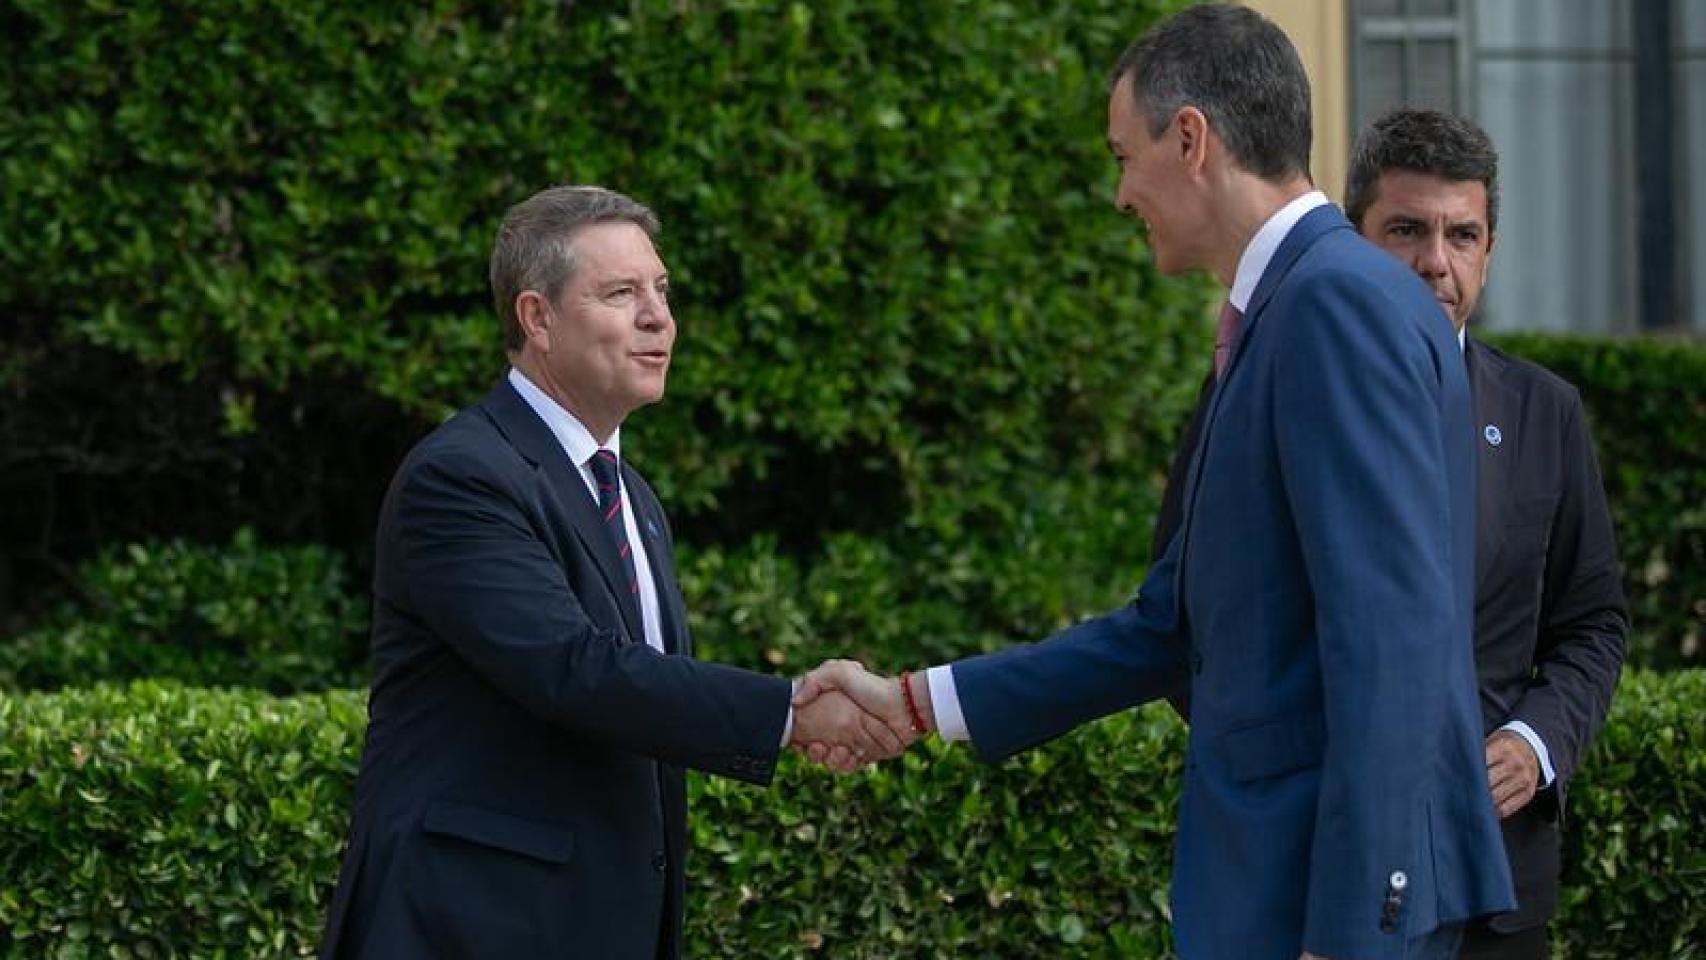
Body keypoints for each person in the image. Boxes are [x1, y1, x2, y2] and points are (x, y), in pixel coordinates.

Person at [798, 6, 1515, 958]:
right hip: (1273, 889)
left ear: (1191, 139)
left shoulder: (1331, 303)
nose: (1119, 193)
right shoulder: (1292, 308)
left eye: (1120, 155)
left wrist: (1350, 931)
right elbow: (1170, 624)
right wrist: (919, 702)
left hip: (1316, 908)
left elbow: (1393, 645)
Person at [318, 185, 908, 960]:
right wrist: (789, 713)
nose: (659, 317)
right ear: (537, 318)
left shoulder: (632, 496)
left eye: (660, 290)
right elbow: (576, 670)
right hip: (467, 926)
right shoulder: (461, 477)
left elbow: (642, 705)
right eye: (621, 293)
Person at [1341, 108, 1628, 960]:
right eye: (1406, 230)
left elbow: (1594, 623)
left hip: (1495, 891)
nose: (1437, 262)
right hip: (1322, 874)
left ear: (1490, 250)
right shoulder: (1267, 389)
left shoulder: (1546, 413)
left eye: (1462, 235)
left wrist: (1536, 743)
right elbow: (1195, 626)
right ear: (1353, 240)